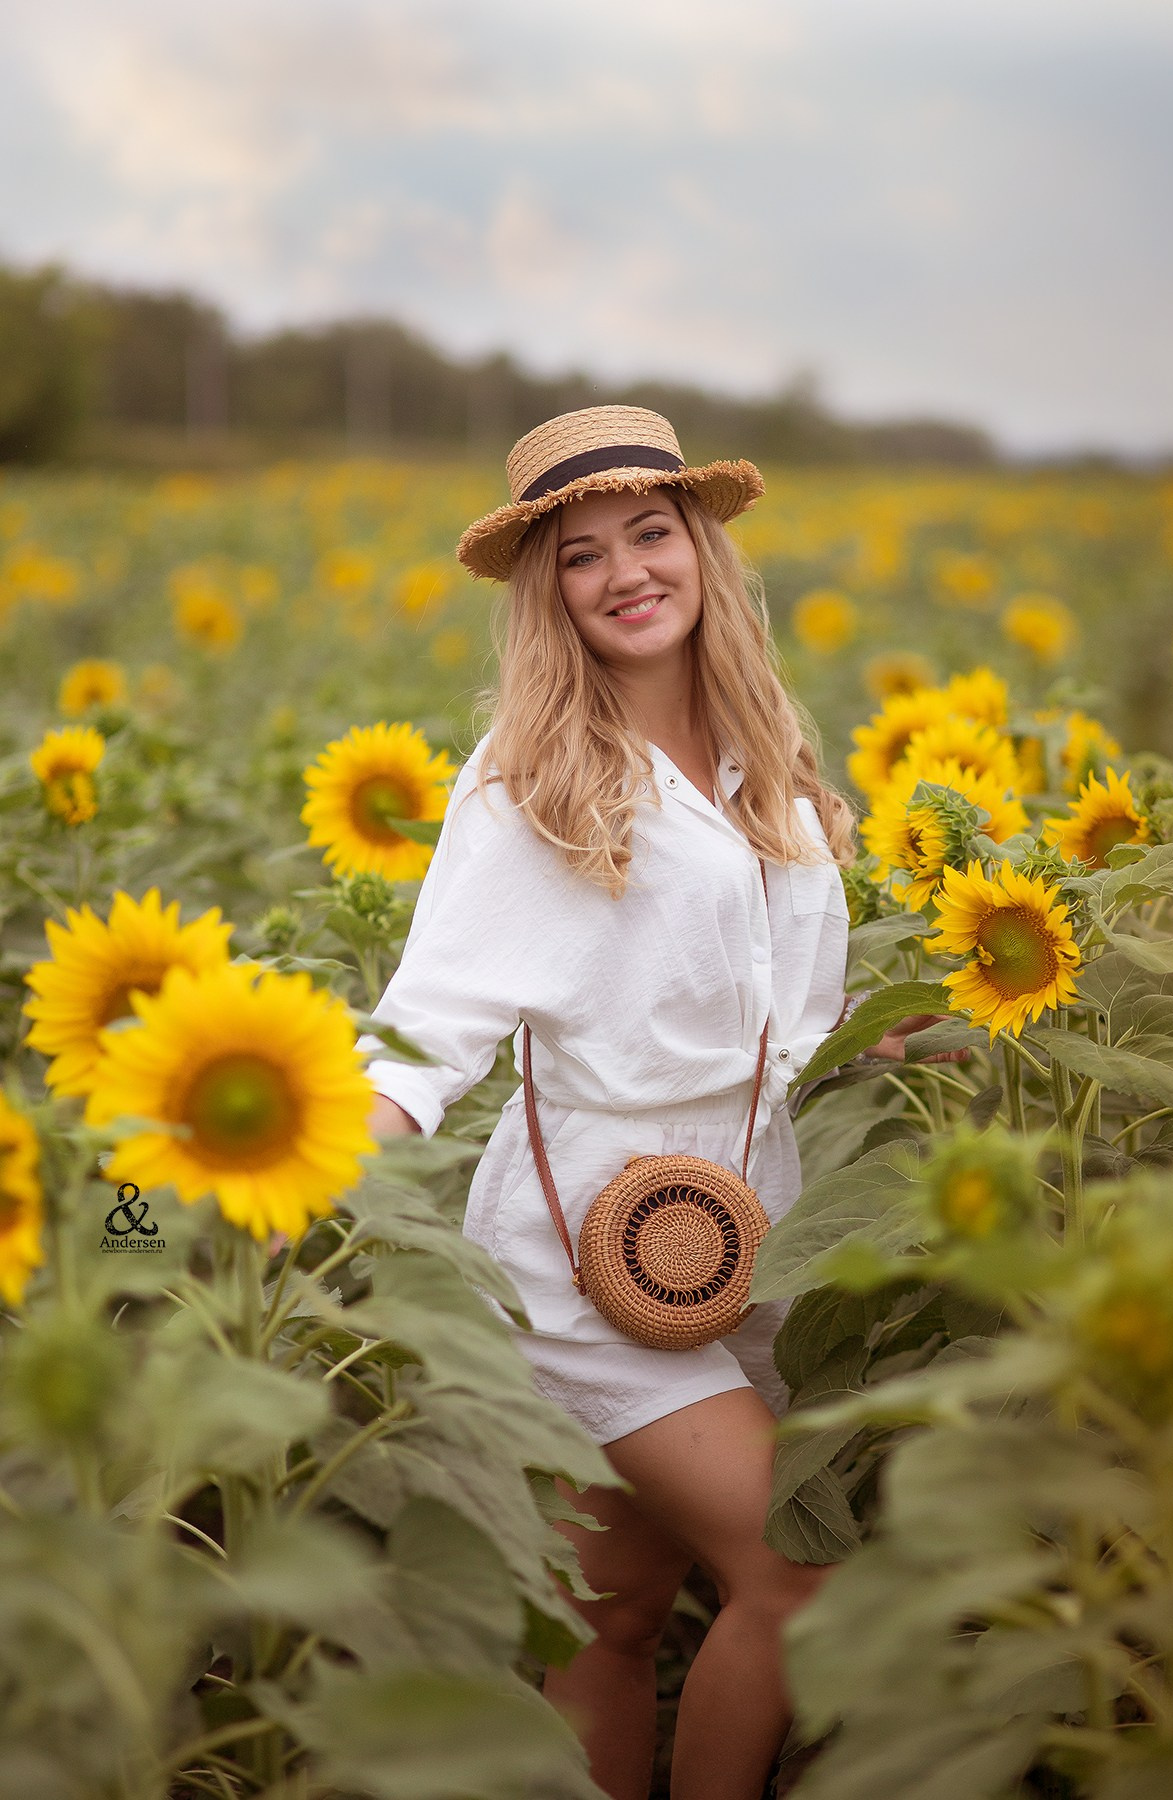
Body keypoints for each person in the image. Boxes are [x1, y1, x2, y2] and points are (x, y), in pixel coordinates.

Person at [357, 405, 960, 1800]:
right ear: (546, 592)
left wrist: (915, 1047)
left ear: (701, 549)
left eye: (650, 533)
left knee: (614, 1627)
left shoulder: (777, 774)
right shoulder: (531, 789)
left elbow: (800, 1026)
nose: (626, 571)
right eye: (581, 554)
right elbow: (419, 1037)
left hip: (742, 1251)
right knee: (799, 1579)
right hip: (580, 1273)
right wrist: (215, 1191)